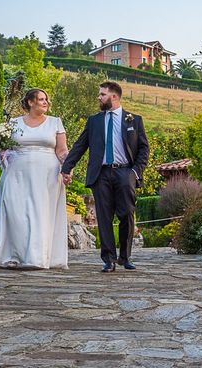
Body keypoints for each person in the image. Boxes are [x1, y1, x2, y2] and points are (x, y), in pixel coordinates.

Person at [0, 89, 69, 269]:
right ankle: (11, 254)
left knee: (39, 213)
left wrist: (67, 169)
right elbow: (5, 146)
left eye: (46, 99)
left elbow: (62, 151)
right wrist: (1, 150)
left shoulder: (55, 123)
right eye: (41, 99)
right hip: (16, 173)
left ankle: (35, 256)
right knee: (13, 211)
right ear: (30, 102)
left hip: (46, 175)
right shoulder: (13, 123)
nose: (45, 102)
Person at [61, 81, 149, 273]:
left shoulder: (134, 120)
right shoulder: (94, 121)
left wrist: (135, 172)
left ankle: (125, 257)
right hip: (101, 174)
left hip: (125, 173)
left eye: (102, 94)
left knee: (126, 214)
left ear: (114, 97)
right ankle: (108, 259)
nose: (98, 97)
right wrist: (66, 168)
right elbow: (80, 146)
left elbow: (144, 149)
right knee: (104, 217)